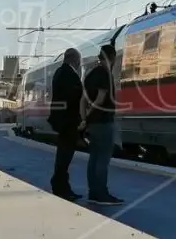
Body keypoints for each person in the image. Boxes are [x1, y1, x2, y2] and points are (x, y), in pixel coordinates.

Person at [80, 43, 124, 206]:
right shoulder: (105, 74)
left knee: (94, 158)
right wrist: (90, 115)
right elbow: (100, 98)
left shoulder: (90, 74)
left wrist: (84, 119)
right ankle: (101, 194)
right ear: (112, 58)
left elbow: (83, 100)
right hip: (103, 122)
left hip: (92, 124)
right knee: (103, 159)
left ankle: (93, 192)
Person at [48, 47, 83, 199]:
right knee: (65, 156)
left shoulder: (59, 72)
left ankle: (62, 185)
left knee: (63, 155)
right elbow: (72, 97)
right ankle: (60, 187)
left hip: (63, 120)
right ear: (73, 59)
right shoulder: (68, 74)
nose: (79, 63)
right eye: (79, 60)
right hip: (68, 121)